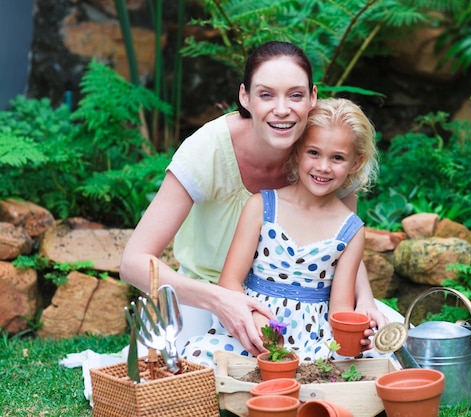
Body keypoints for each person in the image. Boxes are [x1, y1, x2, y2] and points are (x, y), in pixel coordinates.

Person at [119, 41, 400, 358]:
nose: (282, 109)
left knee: (389, 347)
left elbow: (340, 242)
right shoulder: (207, 149)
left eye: (295, 95)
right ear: (245, 97)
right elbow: (132, 263)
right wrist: (222, 299)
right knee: (168, 367)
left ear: (312, 97)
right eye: (266, 94)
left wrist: (363, 302)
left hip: (310, 307)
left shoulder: (326, 151)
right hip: (203, 291)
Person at [182, 97, 387, 366]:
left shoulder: (351, 229)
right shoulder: (262, 206)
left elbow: (340, 307)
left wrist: (351, 334)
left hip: (313, 342)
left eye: (337, 158)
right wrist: (256, 323)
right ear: (297, 151)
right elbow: (229, 282)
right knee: (195, 352)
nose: (323, 167)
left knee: (368, 358)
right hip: (252, 332)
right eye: (313, 153)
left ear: (356, 163)